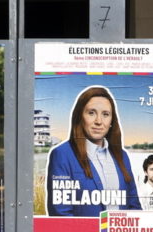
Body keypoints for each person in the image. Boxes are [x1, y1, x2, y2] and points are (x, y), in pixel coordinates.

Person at [45, 86, 141, 216]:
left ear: (112, 120)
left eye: (105, 114)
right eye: (91, 113)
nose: (99, 121)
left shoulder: (122, 156)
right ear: (80, 116)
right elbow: (61, 214)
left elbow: (134, 207)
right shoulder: (62, 154)